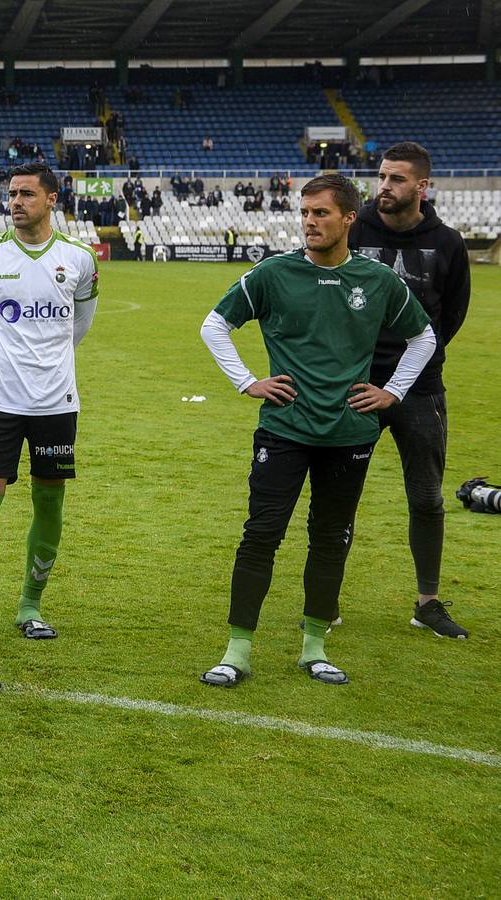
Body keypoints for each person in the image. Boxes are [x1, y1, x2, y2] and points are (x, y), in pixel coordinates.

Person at [198, 174, 435, 687]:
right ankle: (236, 651)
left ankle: (314, 647)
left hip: (349, 434)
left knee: (331, 539)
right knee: (260, 535)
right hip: (284, 428)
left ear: (349, 217)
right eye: (305, 213)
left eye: (321, 213)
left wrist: (391, 391)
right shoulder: (274, 274)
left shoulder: (377, 281)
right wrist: (246, 382)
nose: (310, 222)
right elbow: (214, 324)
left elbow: (423, 337)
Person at [0, 162, 99, 647]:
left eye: (27, 194)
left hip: (57, 402)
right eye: (12, 194)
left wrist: (47, 358)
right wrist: (13, 355)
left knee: (48, 500)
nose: (16, 202)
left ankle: (30, 605)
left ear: (53, 199)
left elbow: (80, 323)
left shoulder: (79, 258)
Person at [349, 142, 472, 638]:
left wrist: (410, 369)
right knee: (340, 495)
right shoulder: (355, 229)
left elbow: (451, 317)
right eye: (382, 176)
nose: (385, 187)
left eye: (397, 179)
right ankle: (325, 598)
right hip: (356, 386)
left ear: (422, 186)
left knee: (427, 498)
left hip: (421, 391)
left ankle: (428, 601)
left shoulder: (447, 243)